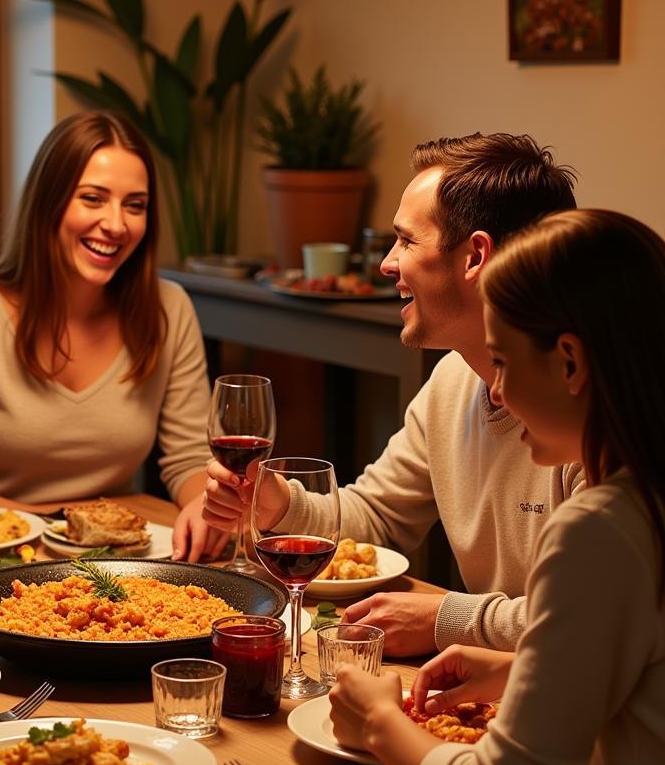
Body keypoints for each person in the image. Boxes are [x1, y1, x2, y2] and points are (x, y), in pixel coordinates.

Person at [328, 209, 665, 765]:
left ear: (569, 361)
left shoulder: (603, 527)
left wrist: (379, 721)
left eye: (504, 362)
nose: (497, 391)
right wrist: (523, 667)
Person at [191, 133, 583, 655]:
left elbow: (595, 613)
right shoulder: (453, 380)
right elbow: (378, 520)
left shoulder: (591, 409)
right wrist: (277, 503)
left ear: (475, 257)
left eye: (406, 241)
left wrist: (447, 617)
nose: (385, 265)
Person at [0, 110, 225, 558]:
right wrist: (58, 530)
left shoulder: (168, 307)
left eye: (135, 205)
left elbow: (187, 459)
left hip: (118, 555)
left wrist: (204, 504)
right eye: (93, 198)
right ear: (50, 201)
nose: (116, 225)